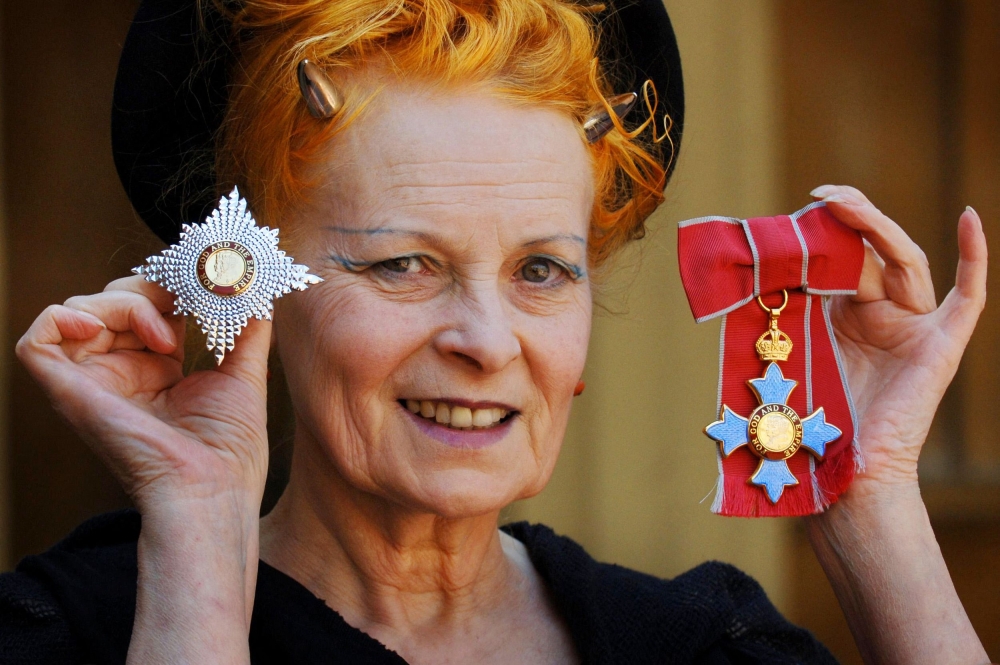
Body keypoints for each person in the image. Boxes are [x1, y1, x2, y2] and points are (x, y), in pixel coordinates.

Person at [1, 0, 990, 663]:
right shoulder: (71, 628)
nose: (485, 336)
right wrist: (198, 550)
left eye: (541, 270)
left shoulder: (701, 646)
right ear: (254, 290)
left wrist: (867, 494)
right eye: (401, 263)